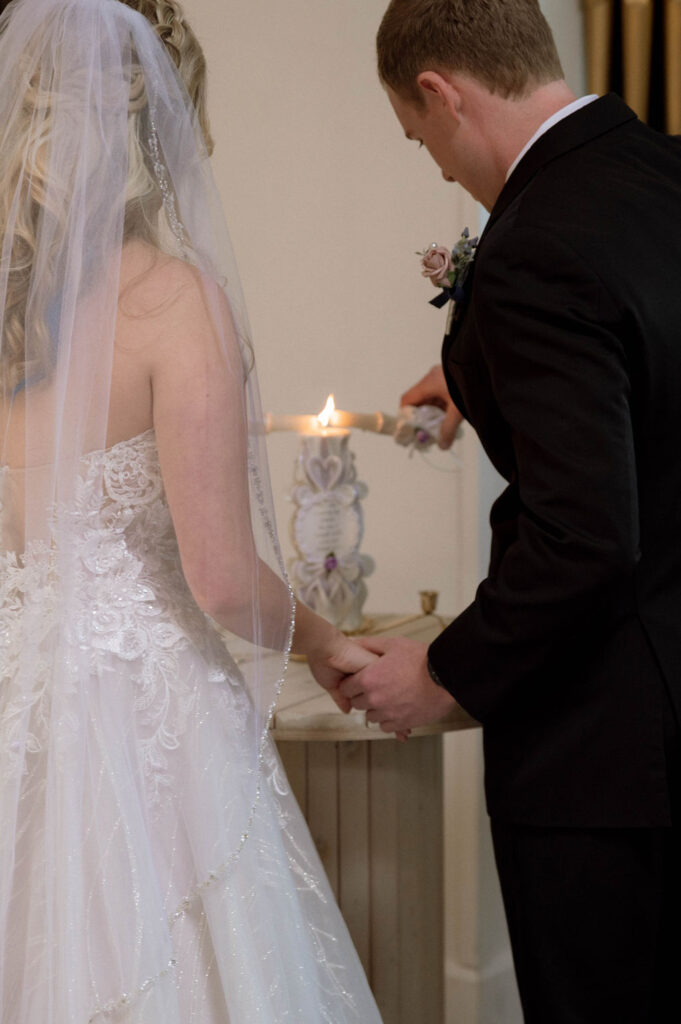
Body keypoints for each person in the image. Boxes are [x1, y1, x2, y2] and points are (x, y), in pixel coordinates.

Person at [0, 0, 385, 1019]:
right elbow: (220, 578)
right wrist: (321, 639)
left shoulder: (7, 320)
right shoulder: (173, 302)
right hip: (147, 717)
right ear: (156, 126)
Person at [339, 1, 681, 1020]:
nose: (439, 168)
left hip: (610, 762)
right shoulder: (661, 169)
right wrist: (482, 378)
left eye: (420, 139)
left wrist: (445, 672)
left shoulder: (532, 248)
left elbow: (584, 541)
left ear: (441, 94)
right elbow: (648, 360)